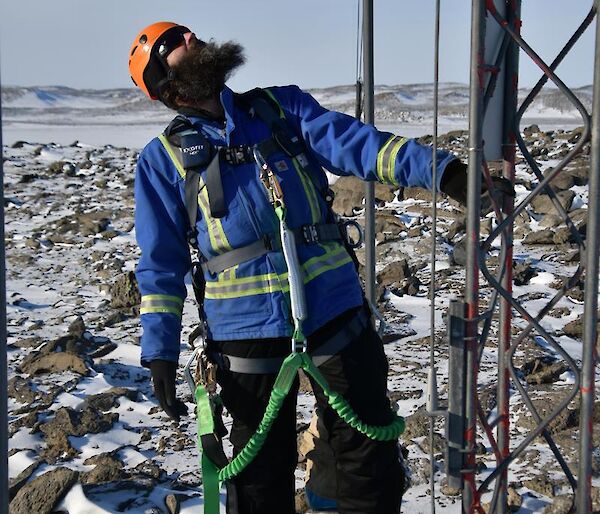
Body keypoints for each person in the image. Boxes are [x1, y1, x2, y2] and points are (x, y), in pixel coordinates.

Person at [128, 21, 513, 514]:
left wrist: (444, 172)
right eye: (172, 43)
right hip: (244, 336)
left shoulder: (278, 110)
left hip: (335, 312)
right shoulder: (162, 161)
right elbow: (160, 264)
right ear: (164, 82)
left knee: (366, 461)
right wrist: (158, 351)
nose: (190, 38)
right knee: (258, 480)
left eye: (185, 31)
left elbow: (359, 145)